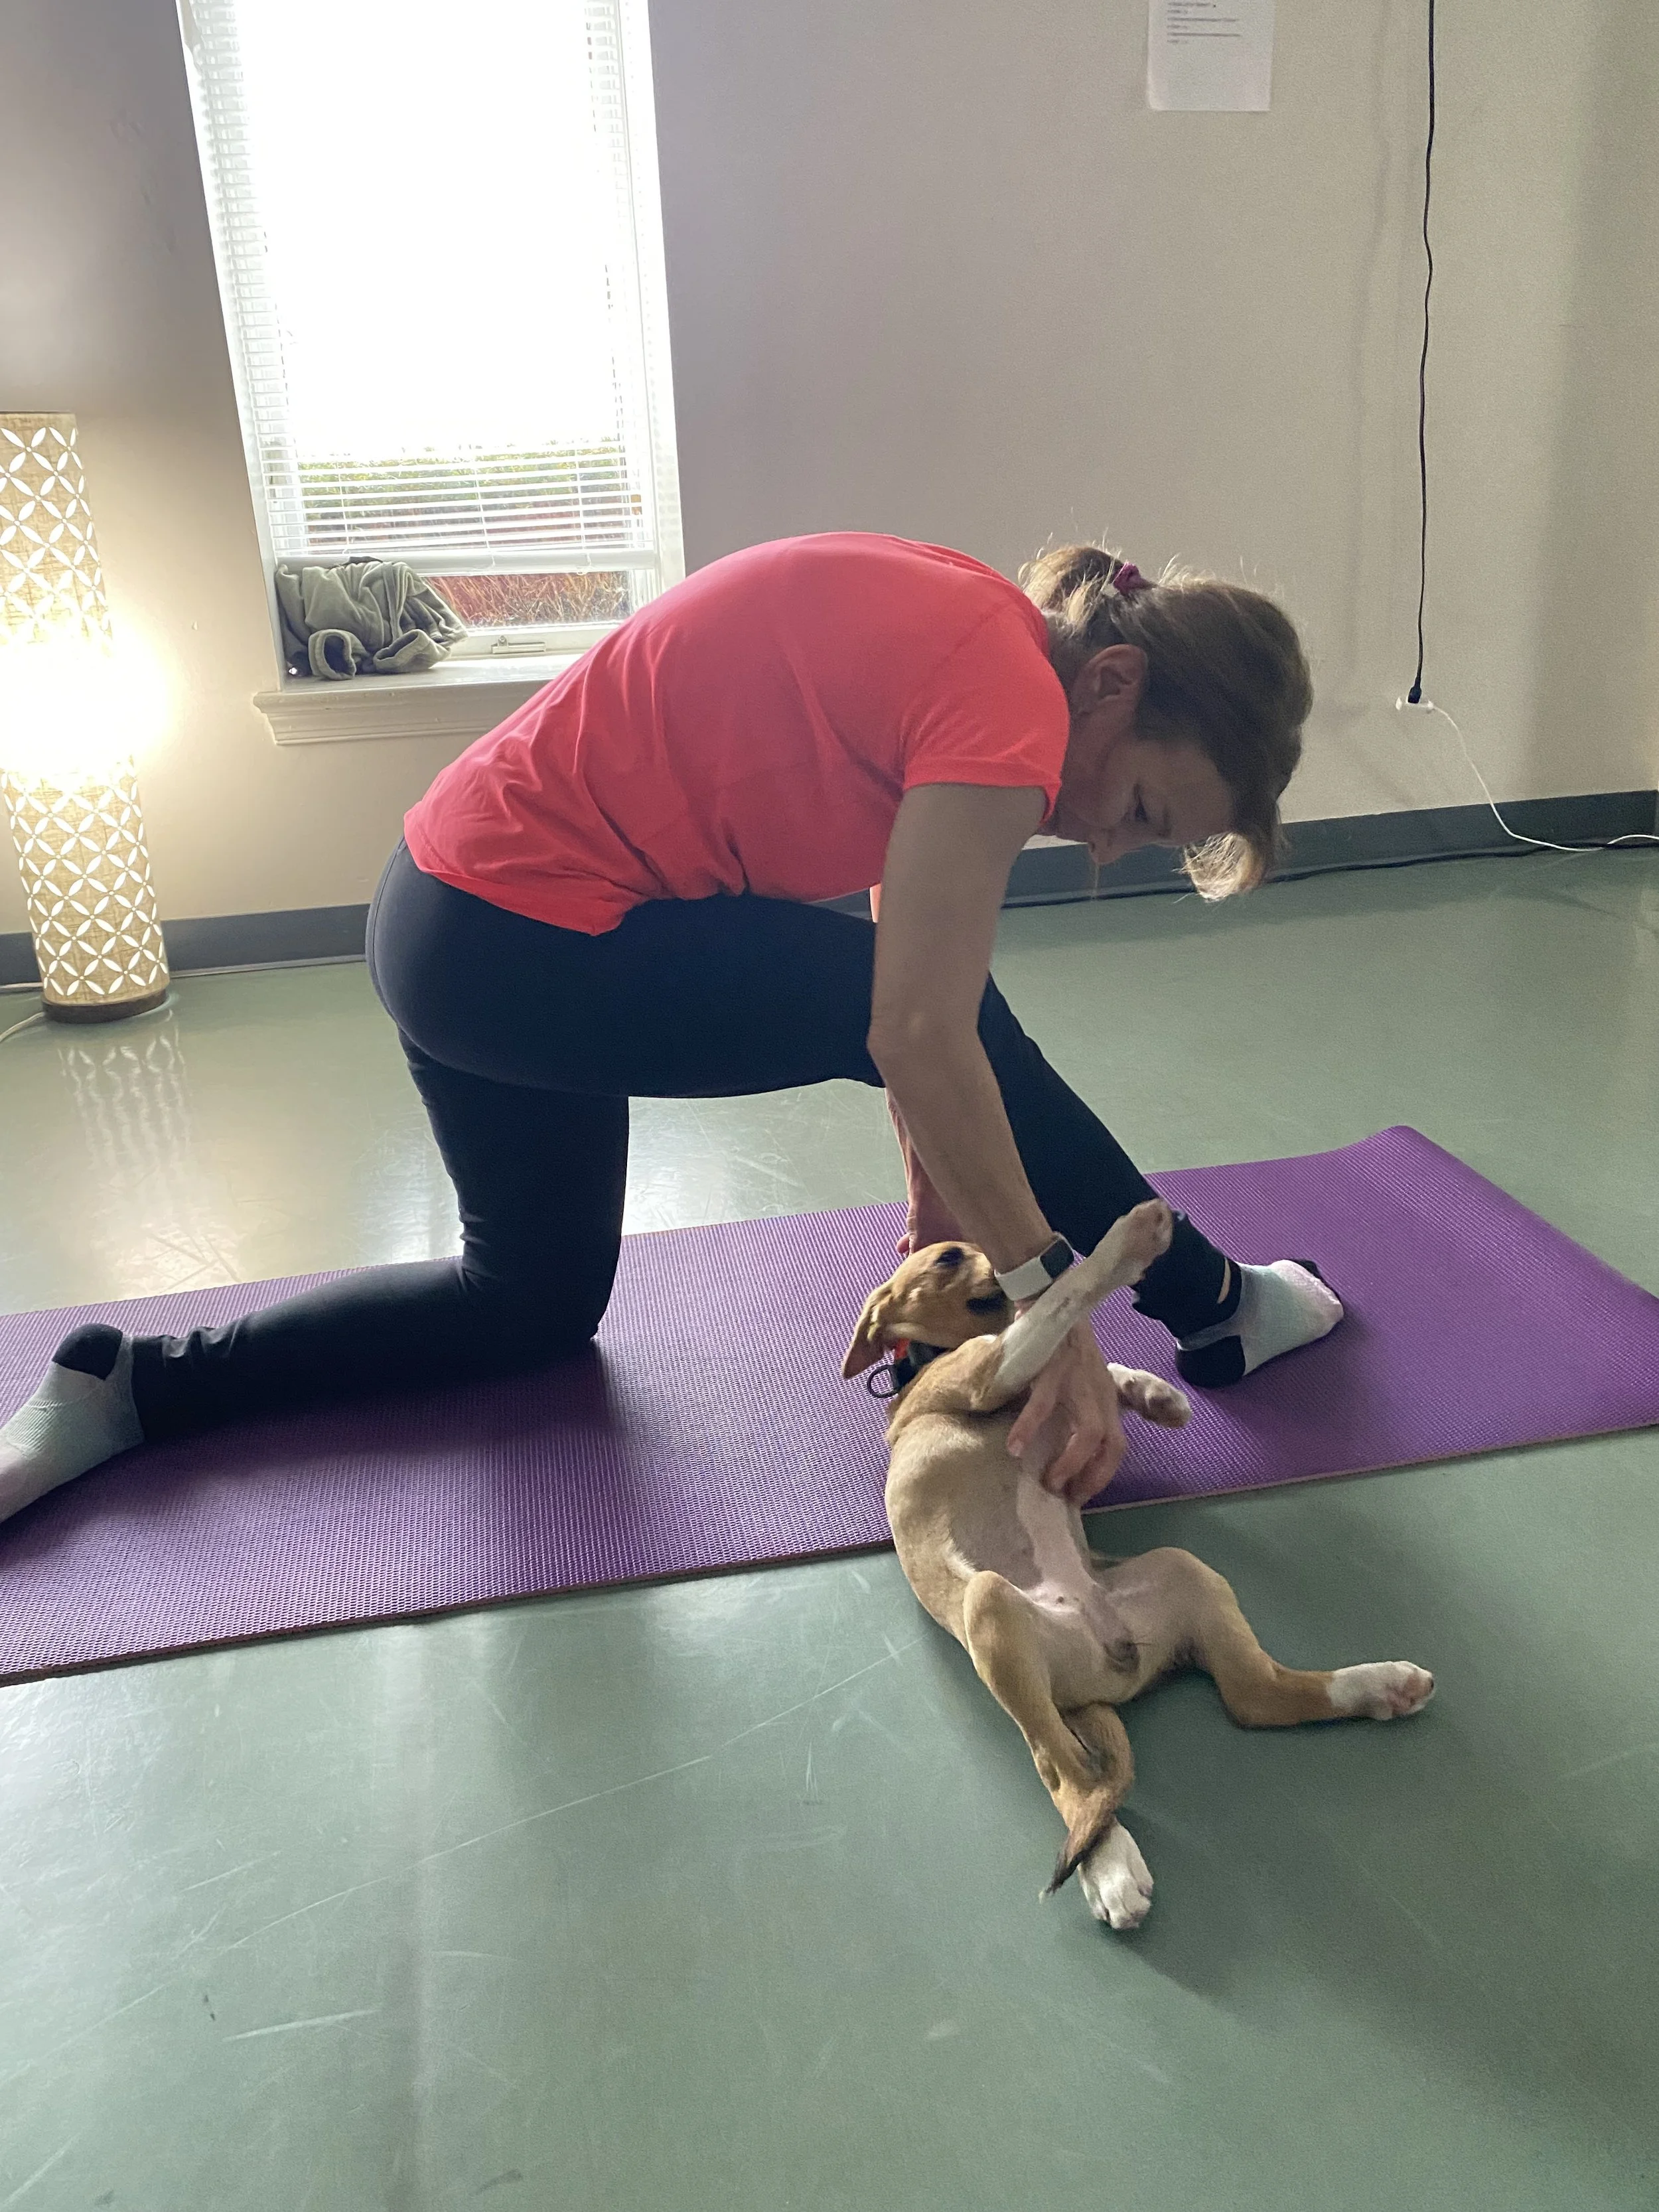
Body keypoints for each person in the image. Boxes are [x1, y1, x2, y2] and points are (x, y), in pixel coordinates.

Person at [0, 532, 1341, 1527]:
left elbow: (901, 955)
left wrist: (942, 1248)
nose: (1105, 842)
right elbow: (921, 1025)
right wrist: (1053, 1304)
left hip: (443, 918)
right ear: (1112, 681)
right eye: (1143, 809)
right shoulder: (1008, 710)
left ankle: (129, 1386)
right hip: (525, 942)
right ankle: (1211, 1303)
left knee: (526, 1303)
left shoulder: (979, 629)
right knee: (944, 1015)